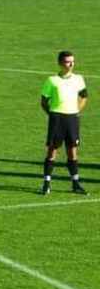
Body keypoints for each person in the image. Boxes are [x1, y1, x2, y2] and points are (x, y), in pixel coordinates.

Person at [40, 50, 89, 195]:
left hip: (72, 118)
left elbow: (84, 96)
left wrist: (77, 110)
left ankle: (75, 184)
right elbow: (44, 101)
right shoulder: (52, 80)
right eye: (68, 61)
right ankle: (46, 184)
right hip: (57, 118)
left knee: (72, 151)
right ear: (60, 63)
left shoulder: (79, 79)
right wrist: (52, 114)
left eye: (73, 61)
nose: (71, 64)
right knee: (52, 150)